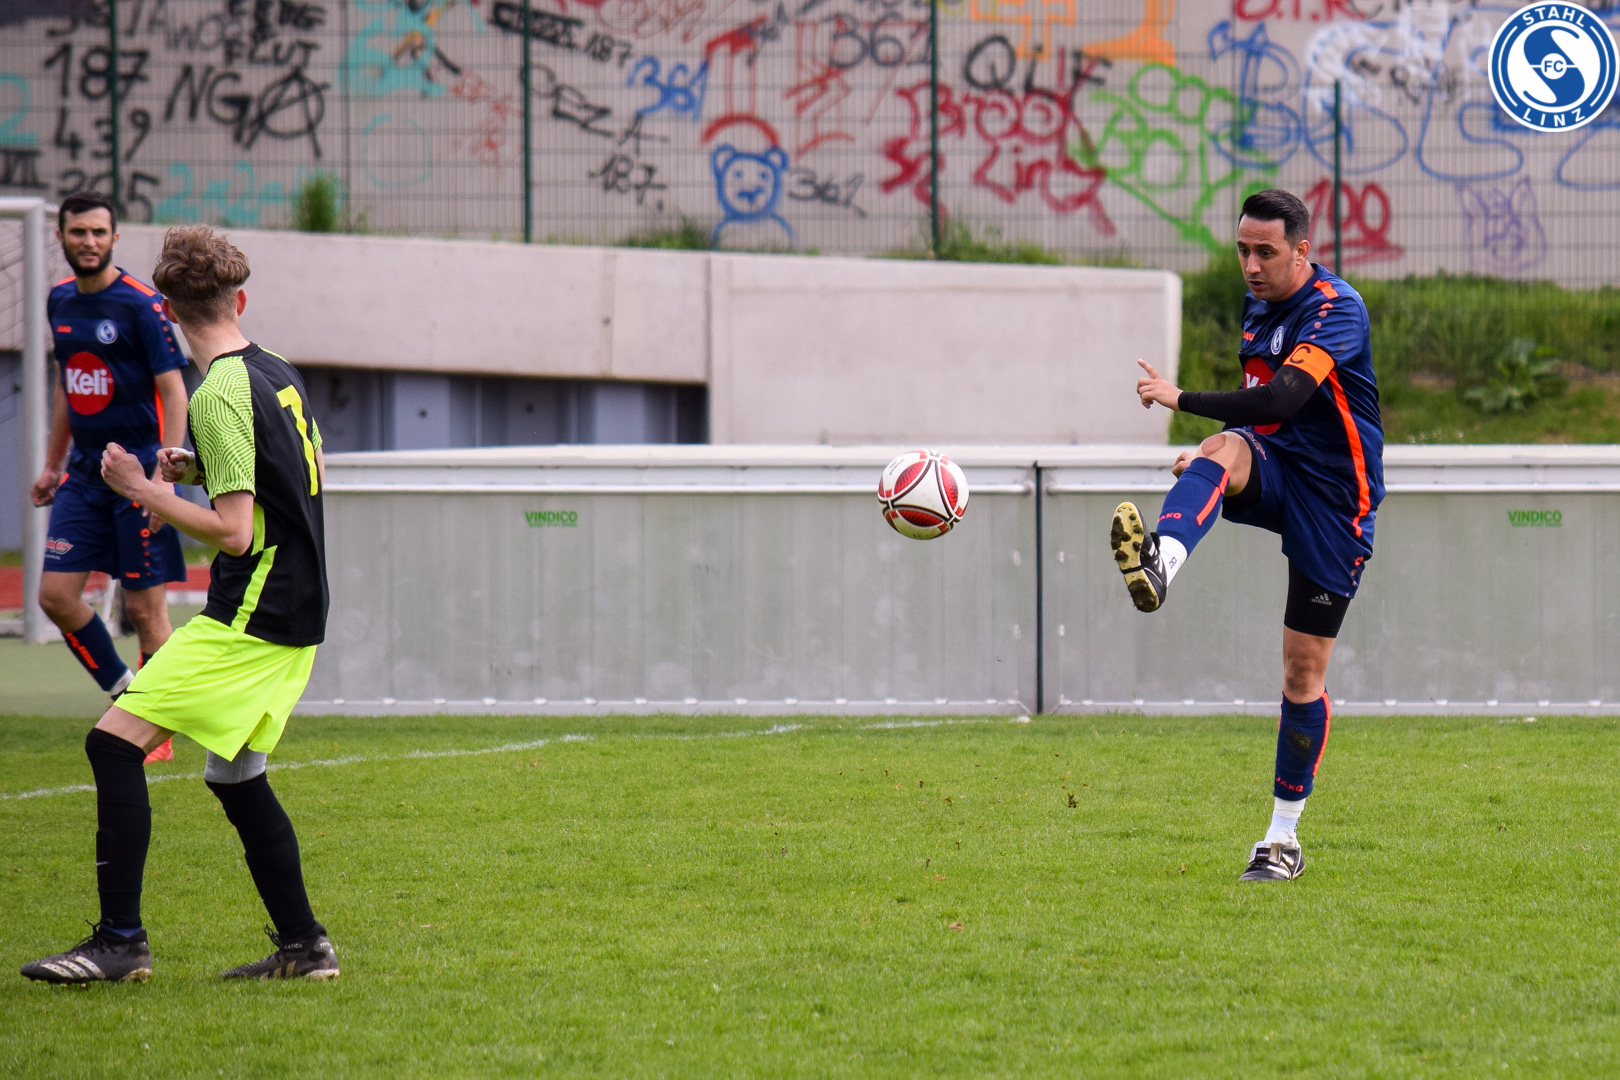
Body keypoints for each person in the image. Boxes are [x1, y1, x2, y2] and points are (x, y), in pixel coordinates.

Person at [22, 225, 338, 984]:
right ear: (240, 300)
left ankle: (120, 943)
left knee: (112, 744)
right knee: (235, 778)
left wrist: (144, 489)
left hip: (252, 615)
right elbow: (300, 474)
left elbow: (234, 533)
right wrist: (199, 469)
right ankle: (305, 948)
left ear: (165, 312)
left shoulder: (218, 393)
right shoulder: (275, 369)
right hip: (297, 609)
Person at [1111, 188, 1384, 883]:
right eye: (1242, 250)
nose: (1252, 265)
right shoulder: (1257, 305)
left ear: (1302, 250)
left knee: (1301, 672)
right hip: (1279, 466)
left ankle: (1282, 840)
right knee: (1221, 447)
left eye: (1266, 252)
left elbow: (1283, 398)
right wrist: (1214, 469)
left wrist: (1182, 399)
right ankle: (1160, 562)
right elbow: (1261, 421)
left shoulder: (1335, 309)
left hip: (1336, 502)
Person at [32, 190, 189, 764]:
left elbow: (176, 392)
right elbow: (68, 385)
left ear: (115, 238)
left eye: (99, 232)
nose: (89, 241)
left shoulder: (142, 305)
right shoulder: (59, 300)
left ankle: (158, 730)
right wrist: (53, 464)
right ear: (61, 237)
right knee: (55, 596)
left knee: (147, 613)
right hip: (83, 477)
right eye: (79, 232)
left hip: (138, 477)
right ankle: (127, 694)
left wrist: (162, 481)